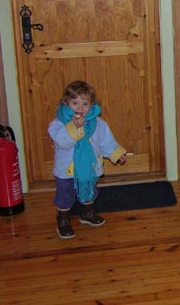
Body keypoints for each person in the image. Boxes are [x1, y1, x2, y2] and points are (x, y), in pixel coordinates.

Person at [48, 80, 127, 239]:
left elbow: (106, 141)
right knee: (65, 195)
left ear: (92, 104)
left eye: (85, 103)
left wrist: (116, 153)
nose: (80, 108)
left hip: (89, 168)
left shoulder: (98, 123)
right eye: (75, 103)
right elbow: (62, 142)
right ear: (66, 103)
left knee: (90, 191)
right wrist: (75, 127)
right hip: (66, 170)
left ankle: (87, 212)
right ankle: (63, 219)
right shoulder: (58, 124)